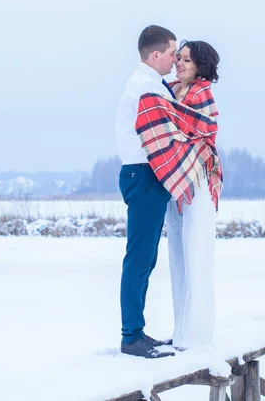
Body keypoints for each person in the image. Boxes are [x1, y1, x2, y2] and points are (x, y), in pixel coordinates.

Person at [135, 40, 223, 350]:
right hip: (177, 183)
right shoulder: (171, 90)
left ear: (201, 65)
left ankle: (197, 336)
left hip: (199, 179)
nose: (180, 64)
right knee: (178, 259)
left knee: (197, 256)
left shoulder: (202, 94)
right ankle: (182, 332)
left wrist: (161, 108)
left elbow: (204, 128)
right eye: (179, 59)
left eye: (187, 60)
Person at [115, 25, 178, 359]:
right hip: (144, 174)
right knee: (139, 257)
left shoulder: (153, 84)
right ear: (156, 54)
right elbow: (165, 130)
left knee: (145, 257)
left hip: (148, 174)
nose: (175, 59)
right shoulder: (144, 88)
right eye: (172, 52)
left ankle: (137, 332)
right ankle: (131, 336)